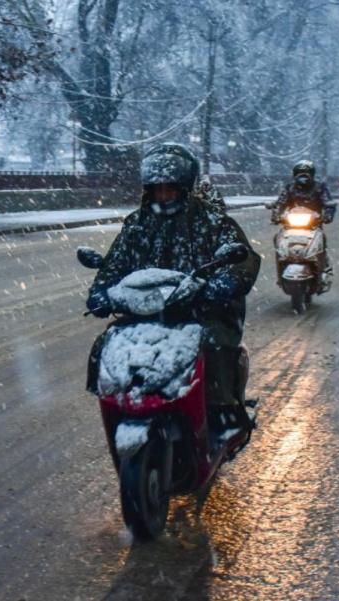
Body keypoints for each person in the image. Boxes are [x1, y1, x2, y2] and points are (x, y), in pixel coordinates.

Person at [85, 143, 260, 425]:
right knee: (107, 342)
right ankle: (118, 405)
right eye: (157, 189)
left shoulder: (212, 222)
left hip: (200, 312)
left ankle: (224, 413)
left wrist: (224, 283)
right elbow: (116, 262)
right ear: (148, 190)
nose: (163, 195)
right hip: (145, 315)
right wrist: (100, 291)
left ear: (185, 188)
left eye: (170, 188)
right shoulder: (137, 224)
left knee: (213, 345)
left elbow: (243, 259)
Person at [272, 159, 336, 290]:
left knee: (321, 241)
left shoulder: (319, 187)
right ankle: (280, 273)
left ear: (312, 174)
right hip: (290, 226)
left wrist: (328, 214)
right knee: (276, 240)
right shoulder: (289, 188)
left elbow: (328, 202)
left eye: (306, 173)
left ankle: (323, 267)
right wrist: (276, 214)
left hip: (314, 225)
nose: (303, 176)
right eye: (300, 173)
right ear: (294, 174)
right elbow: (281, 202)